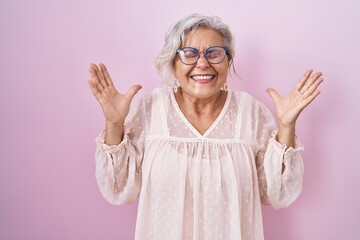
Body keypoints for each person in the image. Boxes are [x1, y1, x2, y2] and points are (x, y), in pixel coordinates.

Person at [87, 14, 323, 240]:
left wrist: (286, 126)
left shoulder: (250, 112)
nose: (202, 63)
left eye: (214, 53)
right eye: (189, 53)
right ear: (173, 64)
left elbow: (278, 193)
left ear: (229, 61)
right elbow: (117, 188)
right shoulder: (151, 108)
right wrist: (114, 123)